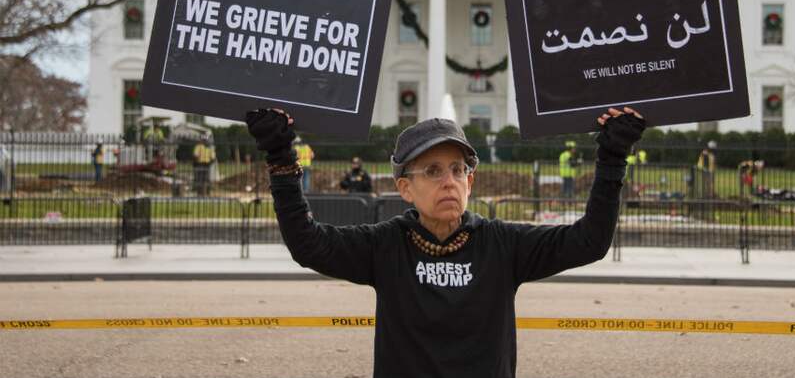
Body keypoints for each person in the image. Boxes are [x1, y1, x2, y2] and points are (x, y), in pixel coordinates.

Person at [245, 105, 644, 378]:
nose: (449, 181)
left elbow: (589, 242)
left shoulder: (502, 244)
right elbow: (308, 245)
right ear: (405, 188)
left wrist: (612, 158)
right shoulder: (386, 245)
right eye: (433, 171)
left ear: (471, 181)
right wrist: (281, 158)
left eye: (457, 169)